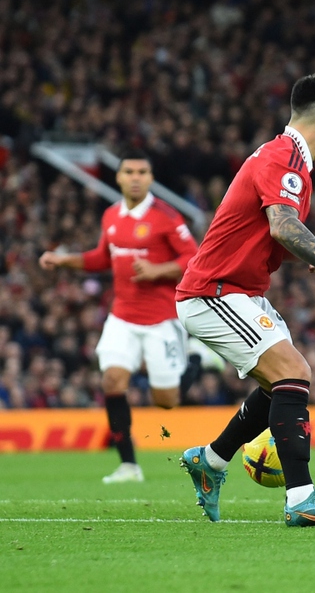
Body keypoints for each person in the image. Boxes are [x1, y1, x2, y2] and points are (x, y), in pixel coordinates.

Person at [175, 74, 315, 525]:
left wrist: (307, 258)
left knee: (280, 383)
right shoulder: (285, 157)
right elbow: (282, 226)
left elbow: (263, 232)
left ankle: (212, 461)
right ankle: (302, 500)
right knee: (294, 371)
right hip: (215, 291)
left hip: (242, 292)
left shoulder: (283, 157)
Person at [39, 149, 197, 483]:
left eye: (142, 171)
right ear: (119, 177)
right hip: (123, 317)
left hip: (161, 319)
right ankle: (129, 464)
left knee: (166, 401)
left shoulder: (167, 216)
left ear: (151, 178)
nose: (136, 177)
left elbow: (193, 259)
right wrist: (63, 260)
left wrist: (157, 270)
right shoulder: (111, 215)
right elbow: (102, 257)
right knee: (111, 381)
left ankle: (196, 359)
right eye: (129, 171)